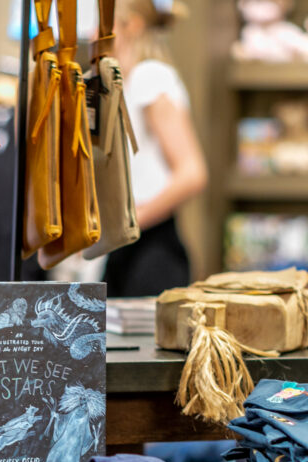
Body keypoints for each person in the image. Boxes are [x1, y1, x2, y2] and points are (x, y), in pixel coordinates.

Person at [103, 0, 207, 297]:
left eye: (103, 20)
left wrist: (132, 220)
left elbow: (192, 172)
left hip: (151, 250)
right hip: (125, 245)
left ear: (131, 25)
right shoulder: (121, 82)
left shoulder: (149, 77)